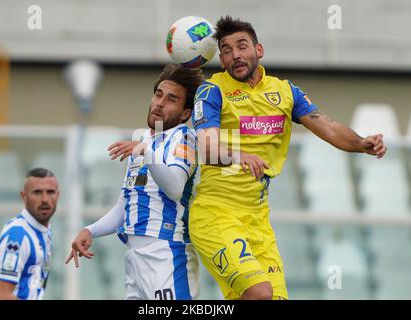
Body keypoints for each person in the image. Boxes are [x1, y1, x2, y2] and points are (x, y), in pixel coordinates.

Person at [189, 16, 387, 300]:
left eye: (242, 46)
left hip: (258, 219)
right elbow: (206, 147)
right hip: (215, 214)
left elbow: (328, 127)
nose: (236, 55)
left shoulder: (284, 92)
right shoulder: (212, 90)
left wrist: (361, 142)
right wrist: (239, 155)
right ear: (221, 60)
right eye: (227, 50)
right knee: (259, 293)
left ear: (259, 50)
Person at [65, 64, 205, 300]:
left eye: (171, 99)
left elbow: (175, 188)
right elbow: (125, 205)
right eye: (158, 94)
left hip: (167, 256)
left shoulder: (185, 138)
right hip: (135, 259)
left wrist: (145, 151)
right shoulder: (143, 139)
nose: (160, 103)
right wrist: (91, 230)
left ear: (185, 114)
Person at [0, 167, 60, 300]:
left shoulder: (43, 231)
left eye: (50, 192)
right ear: (24, 196)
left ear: (58, 195)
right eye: (37, 192)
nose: (45, 199)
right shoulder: (17, 236)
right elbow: (1, 296)